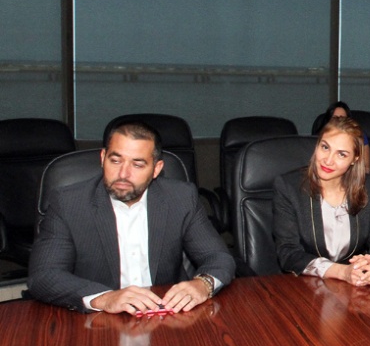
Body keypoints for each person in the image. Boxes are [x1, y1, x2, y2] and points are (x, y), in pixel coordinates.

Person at [28, 122, 235, 314]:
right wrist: (104, 298)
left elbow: (219, 258)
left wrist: (203, 284)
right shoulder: (69, 203)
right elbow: (44, 276)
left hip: (165, 317)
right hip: (97, 322)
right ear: (103, 158)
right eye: (115, 160)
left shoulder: (180, 198)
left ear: (156, 169)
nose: (123, 174)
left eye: (137, 164)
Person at [273, 116, 370, 285]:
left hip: (353, 285)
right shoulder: (288, 187)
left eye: (341, 154)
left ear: (354, 159)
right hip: (303, 286)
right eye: (325, 147)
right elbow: (288, 253)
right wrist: (342, 272)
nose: (328, 160)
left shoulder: (369, 187)